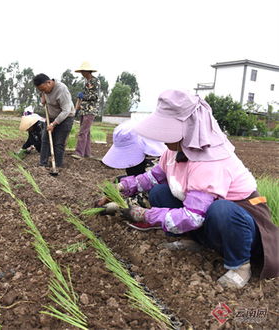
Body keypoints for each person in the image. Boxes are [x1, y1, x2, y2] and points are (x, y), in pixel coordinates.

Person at [111, 90, 278, 288]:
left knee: (221, 210)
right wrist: (122, 187)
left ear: (187, 129)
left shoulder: (210, 159)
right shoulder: (172, 152)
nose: (162, 137)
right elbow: (152, 178)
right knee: (159, 192)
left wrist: (146, 215)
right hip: (206, 215)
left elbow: (193, 217)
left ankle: (240, 265)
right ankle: (192, 241)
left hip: (241, 223)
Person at [98, 121, 166, 230]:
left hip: (163, 193)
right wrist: (116, 189)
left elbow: (149, 191)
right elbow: (142, 179)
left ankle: (151, 218)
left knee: (156, 193)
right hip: (146, 182)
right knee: (118, 180)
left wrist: (120, 206)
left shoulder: (156, 160)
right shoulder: (145, 157)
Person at [33, 73, 75, 168]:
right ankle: (42, 164)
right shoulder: (44, 89)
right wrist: (43, 98)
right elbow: (43, 94)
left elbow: (66, 110)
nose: (44, 91)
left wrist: (54, 124)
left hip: (65, 117)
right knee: (45, 139)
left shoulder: (61, 90)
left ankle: (57, 166)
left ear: (49, 82)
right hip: (51, 116)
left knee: (58, 142)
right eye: (41, 90)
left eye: (44, 89)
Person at [72, 62, 99, 159]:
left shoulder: (95, 81)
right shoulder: (86, 82)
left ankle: (79, 153)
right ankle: (87, 153)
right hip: (84, 110)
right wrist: (79, 105)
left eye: (83, 71)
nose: (82, 73)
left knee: (83, 132)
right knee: (86, 132)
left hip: (90, 110)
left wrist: (84, 96)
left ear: (88, 71)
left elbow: (95, 96)